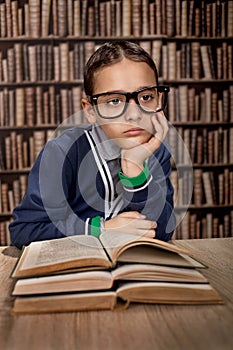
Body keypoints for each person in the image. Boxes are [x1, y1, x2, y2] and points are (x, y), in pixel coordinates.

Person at [9, 41, 176, 249]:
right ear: (90, 110)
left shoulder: (156, 151)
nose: (134, 114)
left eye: (146, 97)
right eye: (114, 101)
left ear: (159, 100)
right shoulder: (62, 152)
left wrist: (136, 172)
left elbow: (162, 232)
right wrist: (100, 230)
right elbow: (24, 231)